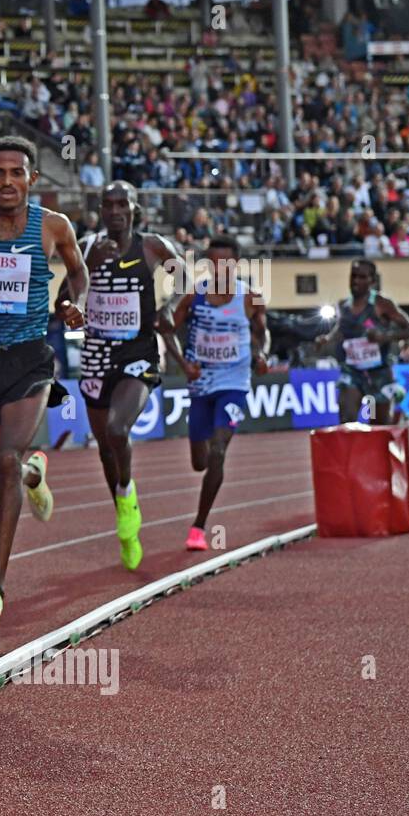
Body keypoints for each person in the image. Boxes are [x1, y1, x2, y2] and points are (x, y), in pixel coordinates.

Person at [0, 136, 88, 625]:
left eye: (16, 172)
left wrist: (76, 304)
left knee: (5, 460)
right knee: (5, 474)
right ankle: (34, 473)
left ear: (32, 178)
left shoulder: (52, 225)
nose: (7, 181)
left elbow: (78, 272)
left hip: (28, 359)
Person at [75, 182, 181, 570]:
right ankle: (124, 503)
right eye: (109, 204)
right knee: (105, 448)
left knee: (118, 431)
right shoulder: (86, 248)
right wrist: (86, 273)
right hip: (96, 355)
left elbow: (187, 278)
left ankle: (125, 492)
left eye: (123, 204)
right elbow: (65, 300)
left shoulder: (152, 247)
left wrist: (171, 306)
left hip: (138, 354)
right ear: (101, 210)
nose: (116, 210)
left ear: (135, 209)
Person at [158, 236, 269, 550]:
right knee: (200, 462)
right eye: (215, 262)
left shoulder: (250, 297)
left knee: (218, 450)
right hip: (201, 384)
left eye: (228, 262)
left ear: (236, 264)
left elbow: (263, 332)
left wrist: (263, 355)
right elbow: (166, 329)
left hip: (234, 383)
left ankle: (198, 527)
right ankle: (208, 467)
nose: (221, 268)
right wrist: (183, 364)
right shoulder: (195, 295)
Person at [317, 260, 409, 425]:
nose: (355, 281)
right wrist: (327, 338)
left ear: (372, 281)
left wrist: (383, 336)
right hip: (352, 370)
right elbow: (340, 331)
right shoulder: (343, 305)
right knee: (346, 418)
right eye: (353, 276)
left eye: (362, 277)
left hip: (379, 373)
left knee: (380, 425)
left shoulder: (382, 304)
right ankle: (350, 450)